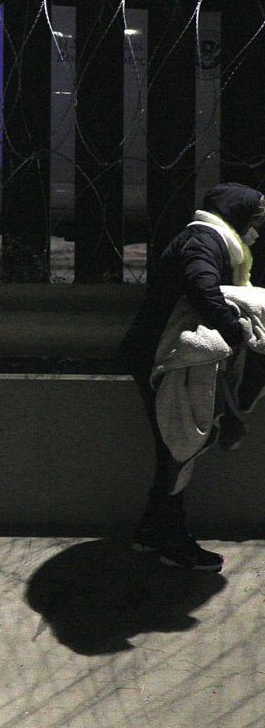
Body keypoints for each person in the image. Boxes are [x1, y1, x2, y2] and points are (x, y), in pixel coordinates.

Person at [118, 182, 265, 572]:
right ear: (237, 218)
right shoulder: (203, 241)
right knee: (178, 448)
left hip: (160, 355)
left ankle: (152, 532)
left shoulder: (208, 239)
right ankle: (172, 541)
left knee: (175, 448)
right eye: (253, 221)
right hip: (163, 359)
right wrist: (237, 333)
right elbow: (203, 287)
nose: (256, 230)